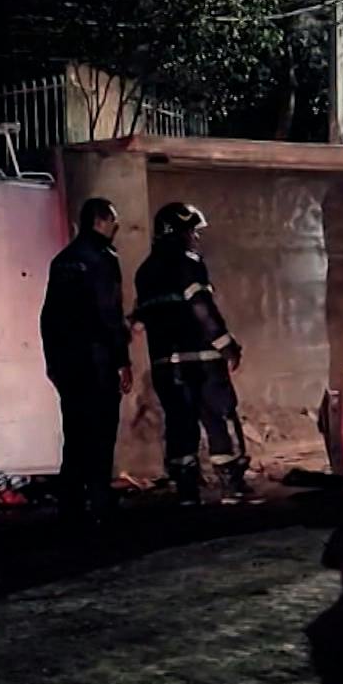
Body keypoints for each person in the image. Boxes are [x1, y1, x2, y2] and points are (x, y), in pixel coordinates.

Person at [132, 202, 259, 506]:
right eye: (192, 231)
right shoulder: (189, 263)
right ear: (179, 232)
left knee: (179, 423)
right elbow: (202, 307)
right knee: (220, 418)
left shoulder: (145, 272)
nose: (195, 238)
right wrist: (226, 345)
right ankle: (233, 485)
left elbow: (142, 317)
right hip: (201, 361)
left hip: (166, 365)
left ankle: (187, 490)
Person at [40, 198, 134, 524]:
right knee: (101, 431)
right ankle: (100, 502)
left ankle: (71, 504)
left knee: (75, 432)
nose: (116, 227)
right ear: (101, 221)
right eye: (113, 221)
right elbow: (108, 314)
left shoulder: (62, 260)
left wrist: (52, 361)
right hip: (98, 362)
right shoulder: (103, 258)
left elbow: (48, 317)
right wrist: (122, 360)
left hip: (68, 364)